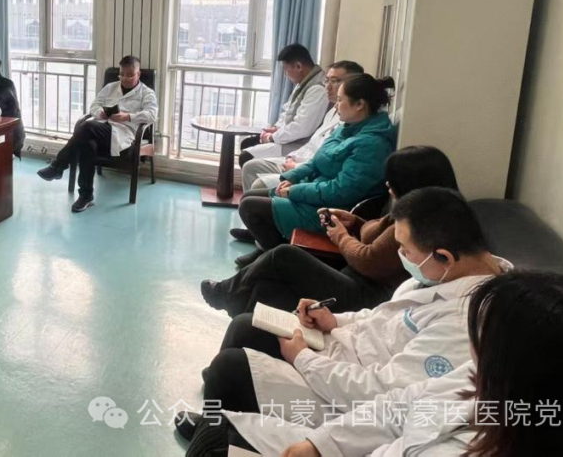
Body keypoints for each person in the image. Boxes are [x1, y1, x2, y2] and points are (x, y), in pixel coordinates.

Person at [177, 188, 510, 445]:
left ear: (444, 256)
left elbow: (384, 395)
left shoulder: (466, 323)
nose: (401, 257)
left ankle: (220, 433)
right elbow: (381, 316)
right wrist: (336, 320)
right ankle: (213, 423)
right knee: (246, 325)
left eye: (406, 250)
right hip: (344, 353)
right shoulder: (442, 273)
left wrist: (303, 358)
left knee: (230, 370)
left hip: (351, 399)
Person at [242, 272, 563, 457]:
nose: (473, 351)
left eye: (482, 341)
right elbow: (402, 403)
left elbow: (383, 389)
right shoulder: (484, 382)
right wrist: (320, 445)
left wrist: (306, 359)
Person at [203, 146, 459, 317]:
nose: (388, 185)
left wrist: (342, 237)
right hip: (354, 276)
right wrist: (355, 222)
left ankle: (227, 293)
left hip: (366, 295)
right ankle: (243, 327)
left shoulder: (419, 223)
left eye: (393, 181)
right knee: (265, 289)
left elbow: (369, 261)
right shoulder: (414, 207)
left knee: (283, 256)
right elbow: (376, 235)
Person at [236, 73, 397, 260]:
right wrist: (292, 177)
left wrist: (293, 191)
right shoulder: (348, 127)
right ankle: (267, 251)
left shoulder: (372, 144)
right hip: (316, 194)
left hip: (331, 210)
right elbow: (317, 160)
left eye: (340, 100)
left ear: (359, 104)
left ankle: (275, 258)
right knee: (248, 196)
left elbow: (341, 191)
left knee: (249, 206)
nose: (336, 107)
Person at [35, 55, 158, 213]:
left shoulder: (146, 93)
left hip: (123, 133)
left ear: (138, 74)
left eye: (130, 75)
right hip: (100, 127)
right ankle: (86, 196)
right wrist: (101, 113)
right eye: (122, 74)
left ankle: (58, 166)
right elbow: (94, 106)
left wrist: (128, 116)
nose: (125, 78)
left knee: (86, 126)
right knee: (87, 144)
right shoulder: (111, 87)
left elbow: (152, 114)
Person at [238, 60, 364, 201]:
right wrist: (292, 155)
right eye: (327, 80)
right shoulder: (332, 111)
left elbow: (306, 134)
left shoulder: (350, 121)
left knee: (255, 183)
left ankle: (262, 208)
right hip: (301, 159)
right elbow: (312, 142)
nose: (328, 86)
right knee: (250, 166)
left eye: (334, 81)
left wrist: (296, 165)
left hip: (309, 169)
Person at [240, 44, 328, 163]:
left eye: (285, 69)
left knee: (246, 156)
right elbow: (287, 111)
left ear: (298, 66)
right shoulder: (304, 83)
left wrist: (272, 137)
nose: (285, 74)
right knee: (248, 143)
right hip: (290, 137)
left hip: (300, 144)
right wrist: (276, 128)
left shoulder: (317, 89)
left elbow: (302, 128)